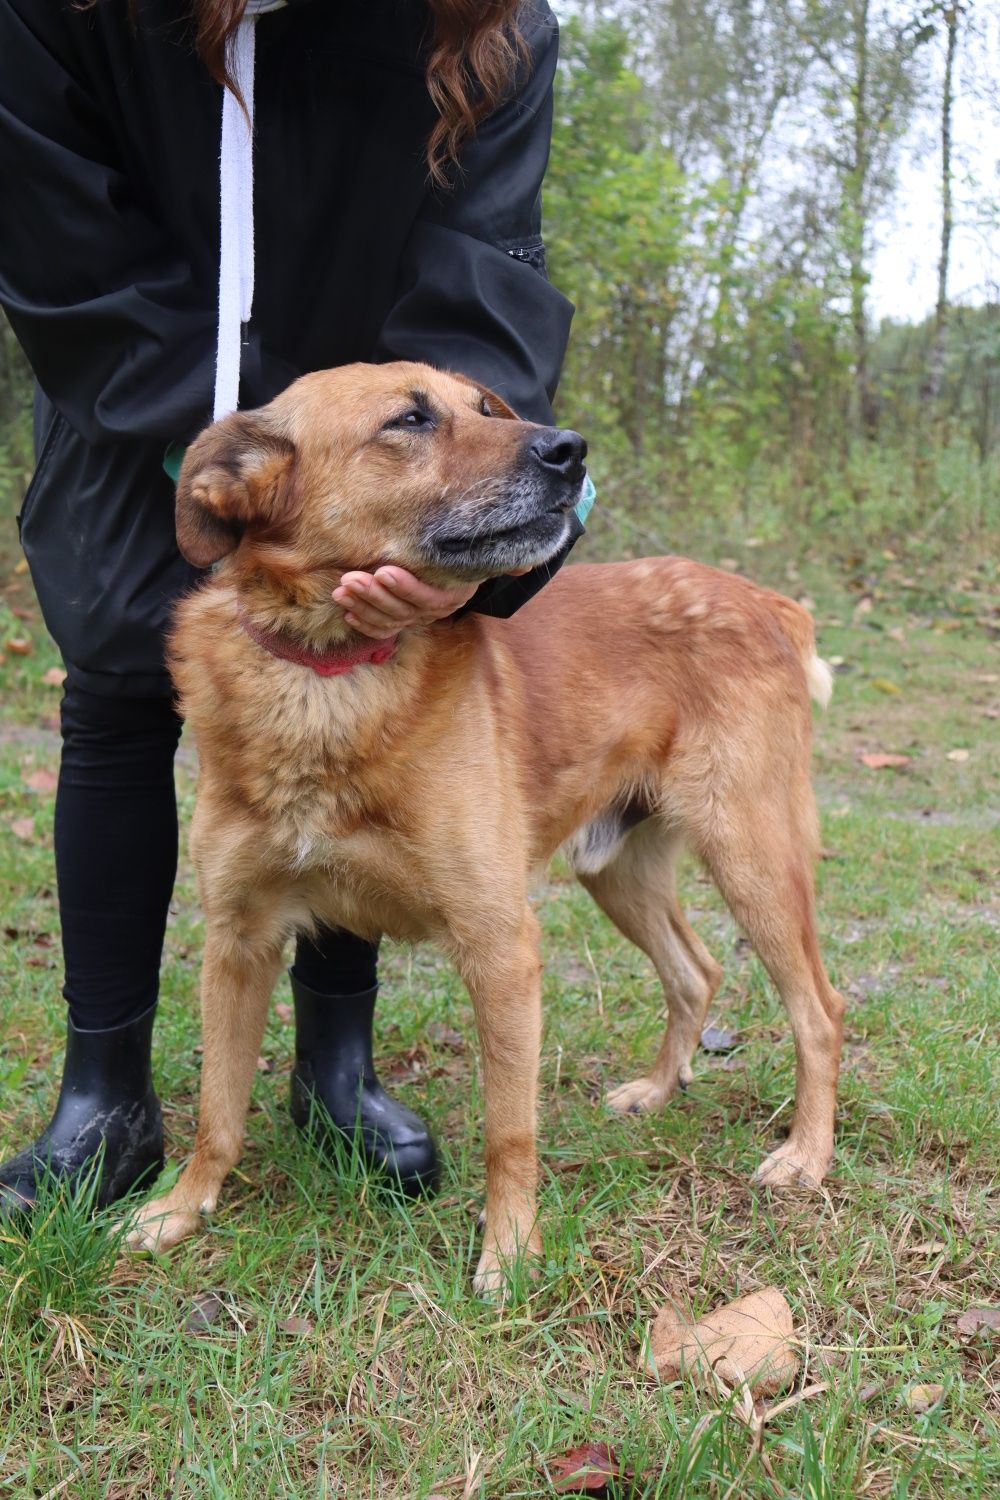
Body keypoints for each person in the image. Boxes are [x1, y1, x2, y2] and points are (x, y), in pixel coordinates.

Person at [0, 0, 592, 1215]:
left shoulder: (491, 27)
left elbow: (485, 266)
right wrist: (244, 458)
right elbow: (58, 235)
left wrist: (431, 506)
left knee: (376, 701)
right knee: (115, 676)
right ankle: (103, 1092)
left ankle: (335, 1070)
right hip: (134, 363)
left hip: (381, 396)